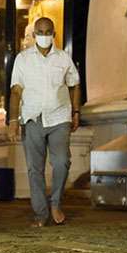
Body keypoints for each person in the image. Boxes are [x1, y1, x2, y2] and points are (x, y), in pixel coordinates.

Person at [7, 17, 81, 227]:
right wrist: (13, 120)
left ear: (54, 34)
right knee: (34, 168)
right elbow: (15, 91)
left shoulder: (63, 58)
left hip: (59, 117)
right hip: (32, 118)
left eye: (48, 32)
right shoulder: (22, 59)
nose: (44, 35)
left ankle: (55, 203)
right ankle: (40, 214)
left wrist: (76, 112)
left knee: (62, 162)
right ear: (33, 35)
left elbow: (75, 84)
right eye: (40, 32)